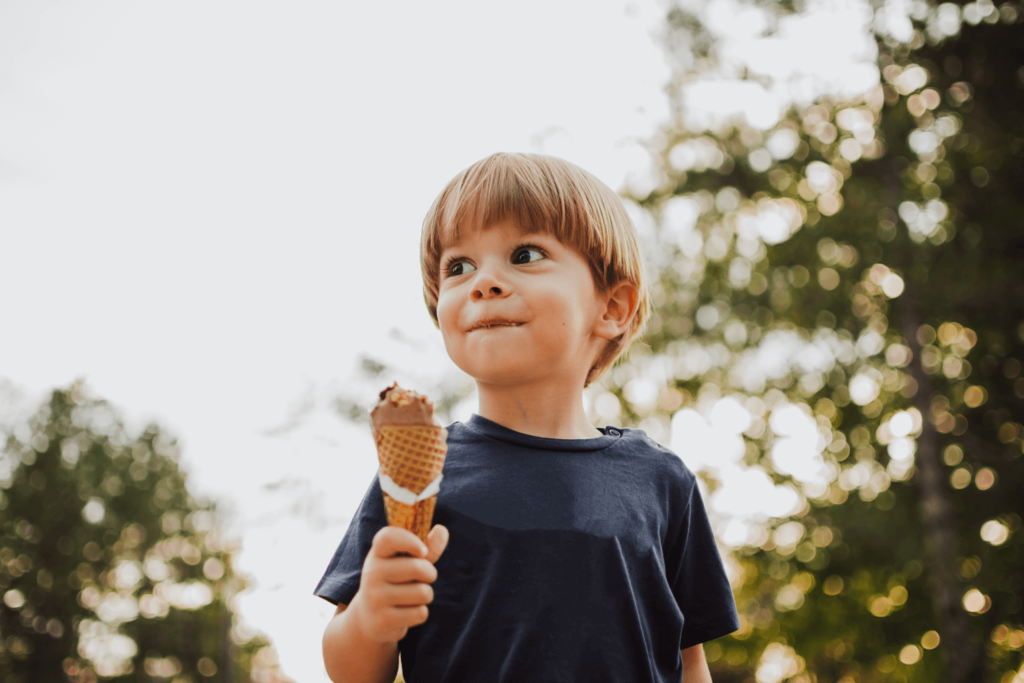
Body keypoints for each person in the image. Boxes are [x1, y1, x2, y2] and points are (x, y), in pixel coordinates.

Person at [315, 152, 739, 683]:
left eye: (525, 253)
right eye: (459, 266)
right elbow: (353, 672)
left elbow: (688, 660)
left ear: (612, 308)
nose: (484, 282)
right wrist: (372, 616)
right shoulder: (417, 481)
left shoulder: (662, 481)